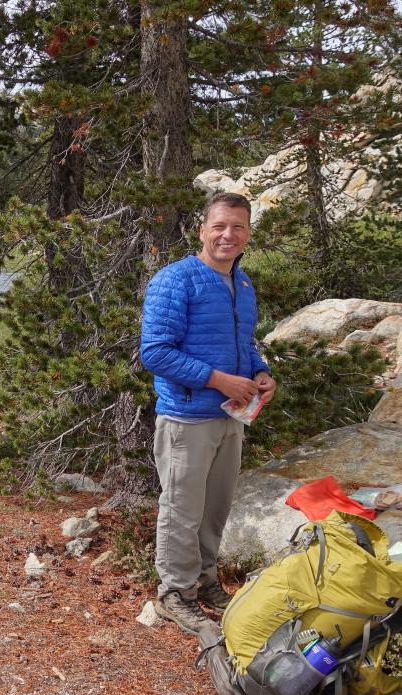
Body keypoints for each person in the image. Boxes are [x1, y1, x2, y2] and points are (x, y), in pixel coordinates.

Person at [140, 191, 276, 635]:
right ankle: (175, 593)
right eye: (219, 225)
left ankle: (204, 580)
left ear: (248, 233)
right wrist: (219, 380)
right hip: (186, 417)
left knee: (215, 506)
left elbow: (247, 342)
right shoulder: (175, 280)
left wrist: (260, 372)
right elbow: (155, 353)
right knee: (182, 507)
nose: (228, 235)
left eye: (238, 226)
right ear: (202, 230)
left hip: (231, 416)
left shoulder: (244, 283)